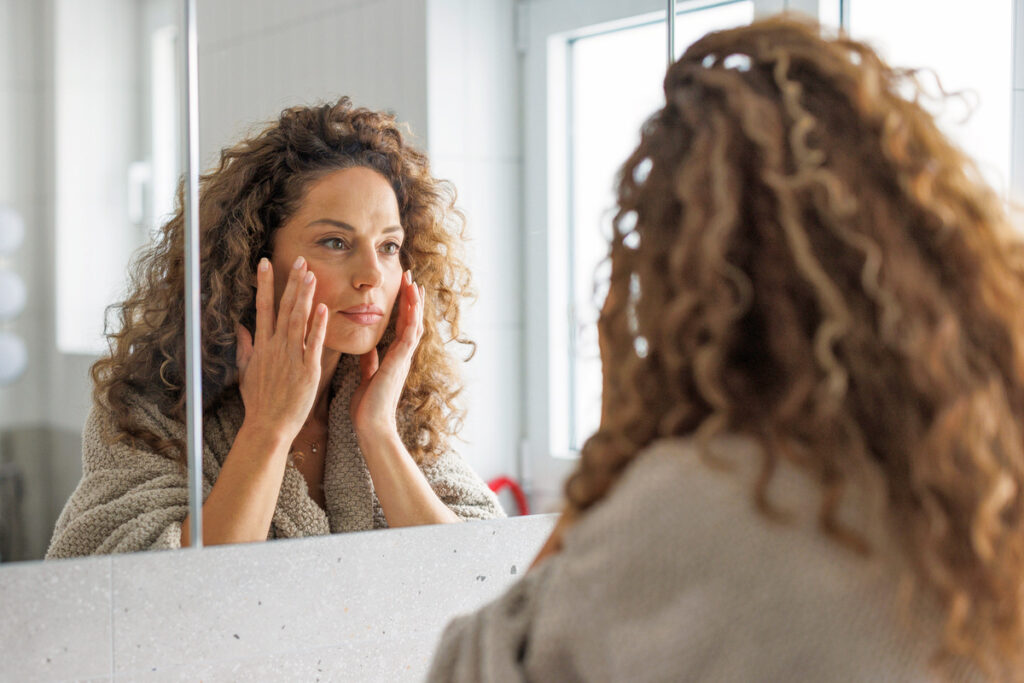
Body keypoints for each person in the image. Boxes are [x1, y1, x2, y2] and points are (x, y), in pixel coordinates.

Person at [429, 17, 1024, 681]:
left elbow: (476, 667)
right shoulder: (982, 468)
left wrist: (616, 442)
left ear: (679, 276)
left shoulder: (707, 497)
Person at [47, 98, 503, 558]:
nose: (371, 275)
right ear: (254, 258)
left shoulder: (399, 404)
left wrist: (378, 430)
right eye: (335, 242)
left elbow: (481, 569)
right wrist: (267, 428)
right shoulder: (155, 410)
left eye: (388, 246)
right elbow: (141, 593)